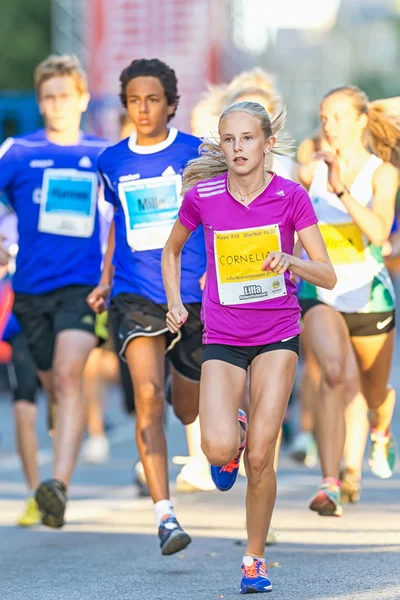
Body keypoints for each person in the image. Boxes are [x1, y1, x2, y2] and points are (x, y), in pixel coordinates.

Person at [162, 100, 336, 593]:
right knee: (218, 448)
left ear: (265, 144)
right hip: (222, 334)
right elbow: (171, 249)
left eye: (247, 139)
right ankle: (232, 434)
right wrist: (176, 301)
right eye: (229, 140)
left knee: (262, 456)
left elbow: (326, 271)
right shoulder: (204, 196)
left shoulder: (290, 196)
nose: (238, 148)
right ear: (222, 146)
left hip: (278, 333)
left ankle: (254, 558)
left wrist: (290, 261)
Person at [87, 58, 206, 556]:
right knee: (148, 394)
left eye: (153, 99)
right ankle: (164, 514)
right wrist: (106, 276)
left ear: (172, 105)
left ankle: (224, 429)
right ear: (125, 104)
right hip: (135, 294)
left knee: (186, 407)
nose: (143, 108)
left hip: (193, 293)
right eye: (134, 99)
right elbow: (116, 221)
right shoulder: (111, 161)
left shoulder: (198, 154)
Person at [0, 54, 109, 528]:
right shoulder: (18, 152)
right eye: (48, 97)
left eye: (65, 96)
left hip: (83, 289)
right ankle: (59, 464)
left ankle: (57, 485)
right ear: (40, 102)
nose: (56, 105)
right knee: (54, 385)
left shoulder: (105, 154)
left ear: (82, 99)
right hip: (30, 291)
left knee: (68, 377)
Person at [298, 85, 399, 518]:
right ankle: (334, 481)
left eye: (338, 117)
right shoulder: (309, 171)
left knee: (372, 393)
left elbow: (378, 233)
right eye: (323, 118)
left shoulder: (382, 173)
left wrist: (341, 191)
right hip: (321, 291)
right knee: (336, 375)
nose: (329, 126)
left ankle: (381, 427)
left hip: (369, 294)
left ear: (360, 120)